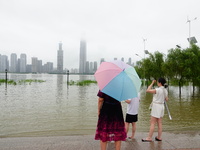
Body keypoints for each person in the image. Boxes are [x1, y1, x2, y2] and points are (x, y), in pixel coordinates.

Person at [142, 78, 168, 142]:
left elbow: (147, 90)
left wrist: (152, 83)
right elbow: (166, 99)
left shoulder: (157, 90)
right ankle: (159, 137)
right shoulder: (165, 90)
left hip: (156, 106)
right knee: (160, 123)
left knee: (152, 123)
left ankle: (149, 137)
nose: (157, 83)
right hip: (161, 106)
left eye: (157, 82)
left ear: (160, 83)